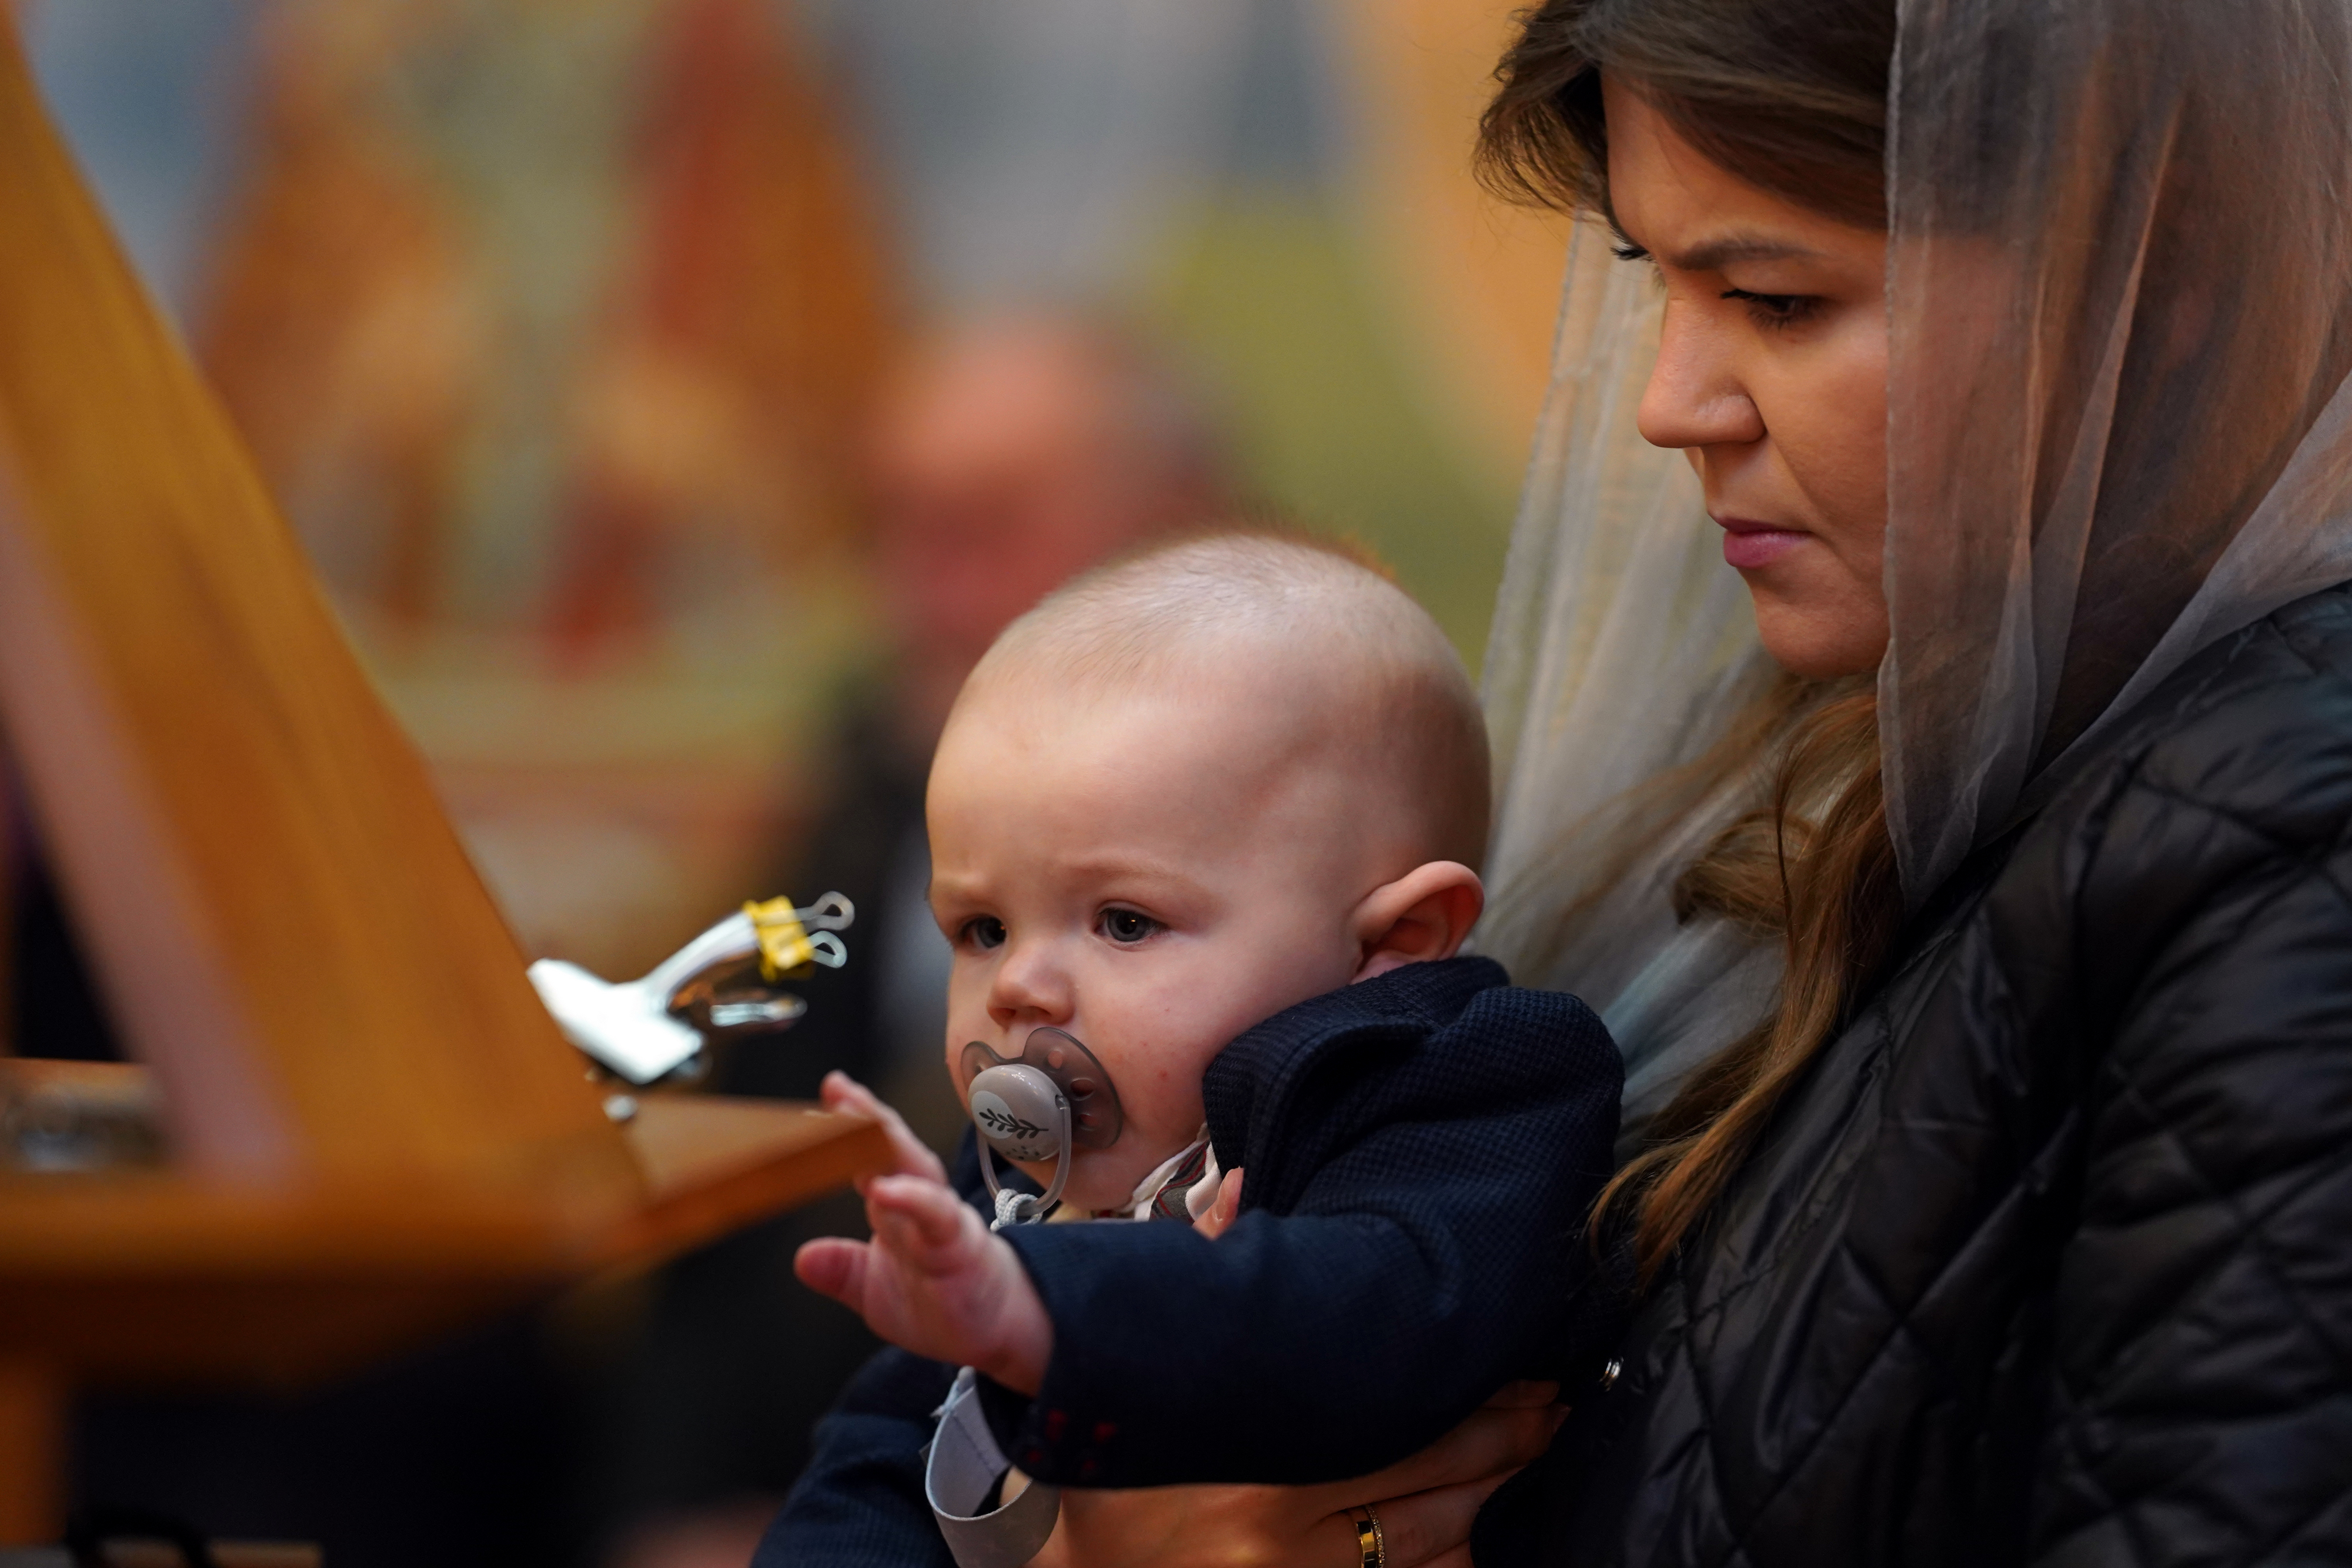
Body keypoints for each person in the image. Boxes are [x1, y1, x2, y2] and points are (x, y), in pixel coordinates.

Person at [924, 0, 2352, 1563]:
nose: (1672, 402)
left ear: (2162, 273)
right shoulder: (1866, 757)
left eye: (1777, 299)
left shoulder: (2291, 849)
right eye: (1654, 286)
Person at [756, 530, 1622, 1565]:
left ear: (1395, 941)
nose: (1020, 987)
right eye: (982, 929)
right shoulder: (1015, 1194)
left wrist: (1045, 1307)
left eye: (1124, 922)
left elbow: (1371, 1314)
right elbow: (884, 1461)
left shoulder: (1467, 1091)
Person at [584, 313, 1232, 1568]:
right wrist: (668, 1512)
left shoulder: (1289, 865)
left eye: (984, 526)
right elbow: (715, 1211)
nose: (920, 589)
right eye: (894, 525)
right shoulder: (856, 797)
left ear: (1180, 529)